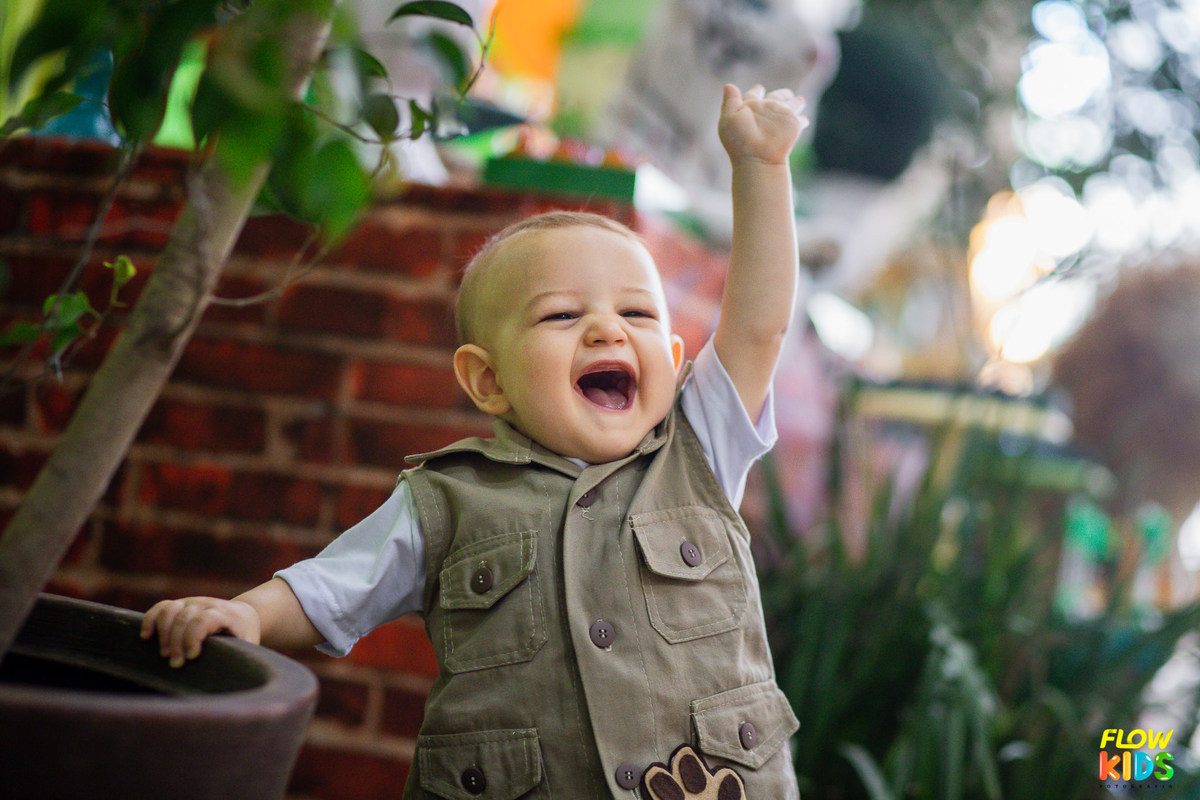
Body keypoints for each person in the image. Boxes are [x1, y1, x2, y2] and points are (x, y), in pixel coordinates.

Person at [143, 84, 807, 799]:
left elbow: (757, 327)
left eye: (638, 314)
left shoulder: (699, 445)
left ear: (675, 363)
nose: (607, 330)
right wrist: (246, 613)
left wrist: (761, 167)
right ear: (488, 380)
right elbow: (330, 589)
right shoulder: (446, 500)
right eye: (561, 316)